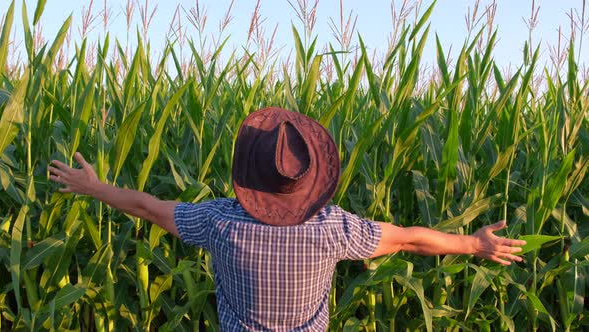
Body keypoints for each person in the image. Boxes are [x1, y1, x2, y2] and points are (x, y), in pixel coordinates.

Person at [49, 107, 526, 331]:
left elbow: (147, 207)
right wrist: (474, 244)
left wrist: (95, 187)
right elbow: (407, 240)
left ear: (250, 173)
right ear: (311, 180)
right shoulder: (332, 230)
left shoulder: (222, 222)